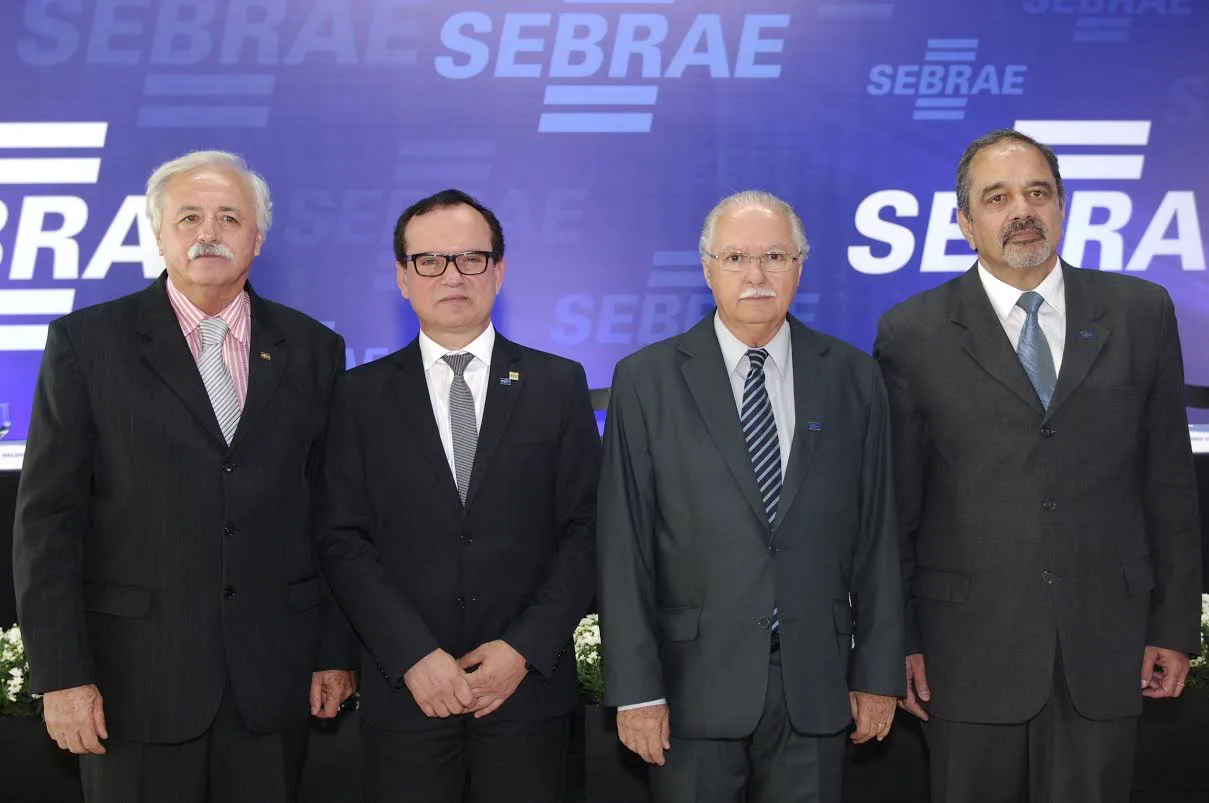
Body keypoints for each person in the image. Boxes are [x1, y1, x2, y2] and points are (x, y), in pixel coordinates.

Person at [12, 150, 357, 803]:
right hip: (130, 686)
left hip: (272, 680)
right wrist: (60, 676)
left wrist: (334, 649)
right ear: (159, 232)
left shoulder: (314, 349)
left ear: (258, 237)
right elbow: (48, 525)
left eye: (230, 217)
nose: (209, 232)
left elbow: (332, 513)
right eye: (190, 216)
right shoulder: (87, 345)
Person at [874, 128, 1203, 803]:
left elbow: (1167, 484)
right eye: (996, 198)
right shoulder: (911, 332)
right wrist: (897, 640)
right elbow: (894, 506)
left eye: (1036, 193)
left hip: (1107, 645)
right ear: (965, 223)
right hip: (962, 651)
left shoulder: (1141, 313)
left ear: (1061, 207)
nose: (1020, 210)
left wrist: (1172, 626)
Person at [596, 190, 904, 803]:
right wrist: (634, 690)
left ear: (800, 267)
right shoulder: (645, 380)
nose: (756, 275)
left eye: (775, 256)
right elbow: (622, 544)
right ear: (708, 268)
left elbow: (878, 535)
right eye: (736, 258)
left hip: (816, 688)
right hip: (689, 693)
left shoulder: (853, 377)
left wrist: (876, 674)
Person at [316, 188, 599, 803]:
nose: (453, 275)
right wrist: (414, 656)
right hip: (406, 694)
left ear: (499, 271)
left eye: (472, 258)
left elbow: (587, 530)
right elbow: (342, 539)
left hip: (526, 694)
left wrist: (523, 649)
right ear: (402, 277)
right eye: (430, 261)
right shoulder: (357, 396)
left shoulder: (558, 384)